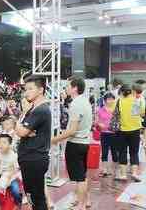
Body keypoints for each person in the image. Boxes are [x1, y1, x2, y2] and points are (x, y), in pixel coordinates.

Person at [52, 76, 93, 210]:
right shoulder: (85, 101)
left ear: (75, 87)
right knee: (82, 175)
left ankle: (80, 205)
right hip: (84, 142)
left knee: (79, 177)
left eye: (68, 86)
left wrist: (54, 140)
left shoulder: (76, 104)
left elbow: (72, 130)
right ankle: (85, 201)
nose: (66, 88)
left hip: (75, 143)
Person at [16, 75, 51, 210]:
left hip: (34, 159)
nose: (27, 92)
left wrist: (21, 126)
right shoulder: (33, 109)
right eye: (26, 89)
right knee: (33, 196)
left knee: (37, 198)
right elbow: (23, 131)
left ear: (41, 90)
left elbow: (21, 132)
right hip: (29, 159)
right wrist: (23, 126)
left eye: (30, 89)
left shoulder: (40, 110)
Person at [117, 84, 145, 182]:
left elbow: (115, 113)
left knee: (122, 152)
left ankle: (123, 175)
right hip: (135, 130)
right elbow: (142, 113)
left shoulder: (120, 101)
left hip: (122, 131)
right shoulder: (137, 101)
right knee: (134, 152)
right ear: (131, 92)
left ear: (122, 92)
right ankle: (134, 173)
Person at [0, 134, 22, 210]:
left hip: (10, 177)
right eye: (0, 142)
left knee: (16, 191)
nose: (1, 145)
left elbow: (16, 170)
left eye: (4, 142)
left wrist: (9, 180)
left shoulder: (14, 156)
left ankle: (17, 203)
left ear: (10, 144)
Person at [94, 93, 118, 177]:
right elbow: (96, 122)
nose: (110, 101)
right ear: (105, 100)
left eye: (112, 99)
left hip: (115, 134)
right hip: (104, 134)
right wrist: (99, 124)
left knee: (115, 152)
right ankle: (104, 170)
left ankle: (114, 170)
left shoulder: (116, 110)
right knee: (104, 152)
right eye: (108, 99)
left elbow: (119, 121)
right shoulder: (100, 110)